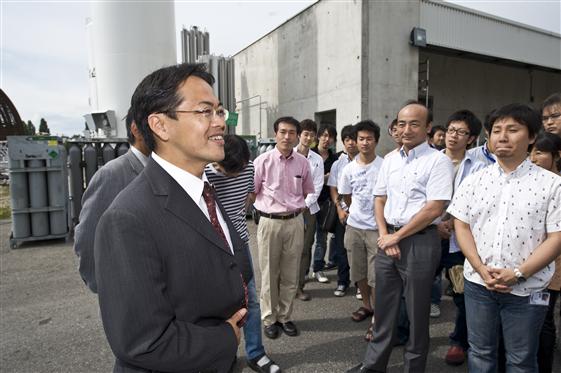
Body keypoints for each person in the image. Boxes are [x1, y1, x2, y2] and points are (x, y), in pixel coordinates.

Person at [94, 63, 252, 372]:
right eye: (205, 112)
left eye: (219, 111)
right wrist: (226, 337)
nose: (220, 122)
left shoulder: (205, 190)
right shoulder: (128, 217)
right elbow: (143, 340)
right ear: (161, 125)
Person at [448, 103, 561, 373]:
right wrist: (478, 267)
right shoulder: (475, 180)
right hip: (478, 285)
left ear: (532, 136)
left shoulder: (552, 184)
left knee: (521, 359)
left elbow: (557, 237)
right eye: (496, 130)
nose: (502, 136)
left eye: (513, 130)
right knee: (481, 353)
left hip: (528, 288)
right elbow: (461, 225)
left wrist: (519, 273)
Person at [348, 101, 454, 373]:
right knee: (384, 311)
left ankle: (413, 368)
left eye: (415, 123)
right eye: (402, 123)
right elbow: (380, 198)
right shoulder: (391, 159)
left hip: (420, 242)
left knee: (418, 315)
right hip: (388, 241)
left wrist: (398, 237)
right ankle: (373, 366)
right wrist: (385, 236)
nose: (406, 129)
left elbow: (435, 207)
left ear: (428, 127)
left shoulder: (438, 161)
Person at [205, 134, 281, 373]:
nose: (228, 175)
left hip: (239, 246)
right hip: (211, 249)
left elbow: (250, 196)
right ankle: (222, 355)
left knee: (251, 302)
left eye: (234, 171)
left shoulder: (249, 168)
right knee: (215, 305)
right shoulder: (205, 172)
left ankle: (255, 353)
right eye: (223, 169)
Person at [74, 108, 149, 293]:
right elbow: (88, 237)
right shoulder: (112, 174)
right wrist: (104, 288)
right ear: (136, 129)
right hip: (127, 290)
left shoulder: (161, 170)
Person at [253, 116, 315, 339]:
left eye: (291, 132)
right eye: (282, 132)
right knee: (269, 272)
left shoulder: (302, 163)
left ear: (297, 135)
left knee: (290, 273)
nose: (287, 137)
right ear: (275, 134)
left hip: (295, 222)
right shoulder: (262, 161)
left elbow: (308, 191)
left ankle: (285, 317)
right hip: (269, 222)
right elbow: (252, 192)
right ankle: (269, 318)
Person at [437, 110, 482, 366]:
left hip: (458, 241)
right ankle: (402, 331)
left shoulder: (478, 168)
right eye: (451, 130)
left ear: (472, 138)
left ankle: (459, 341)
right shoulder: (430, 160)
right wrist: (435, 226)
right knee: (413, 288)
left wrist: (451, 224)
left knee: (460, 292)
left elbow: (476, 204)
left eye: (461, 132)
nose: (453, 136)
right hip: (427, 235)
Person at [338, 121, 383, 340]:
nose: (365, 143)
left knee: (376, 276)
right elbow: (347, 196)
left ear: (376, 140)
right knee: (359, 273)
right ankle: (367, 306)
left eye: (369, 139)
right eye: (361, 139)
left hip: (377, 229)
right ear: (355, 141)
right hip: (354, 227)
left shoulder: (384, 166)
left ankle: (378, 318)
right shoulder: (348, 169)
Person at [529, 132, 561, 373]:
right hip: (532, 264)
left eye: (539, 152)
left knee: (545, 321)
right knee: (538, 321)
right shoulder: (530, 183)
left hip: (554, 266)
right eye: (531, 151)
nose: (533, 157)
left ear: (556, 156)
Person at [295, 119, 324, 301]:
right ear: (299, 135)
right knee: (288, 249)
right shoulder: (290, 154)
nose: (309, 137)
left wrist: (304, 204)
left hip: (308, 210)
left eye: (312, 135)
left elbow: (318, 185)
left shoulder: (317, 159)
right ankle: (285, 287)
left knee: (304, 249)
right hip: (288, 209)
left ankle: (299, 287)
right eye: (306, 134)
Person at [327, 124, 357, 297]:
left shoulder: (368, 161)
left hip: (363, 216)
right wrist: (339, 209)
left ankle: (361, 285)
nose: (351, 143)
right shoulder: (338, 164)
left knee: (361, 251)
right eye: (347, 140)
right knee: (341, 248)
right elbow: (333, 188)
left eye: (354, 139)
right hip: (343, 213)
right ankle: (342, 281)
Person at [311, 124, 339, 282]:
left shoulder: (334, 158)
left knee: (321, 238)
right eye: (324, 135)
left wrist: (324, 178)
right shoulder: (309, 154)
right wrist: (324, 177)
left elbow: (335, 180)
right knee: (306, 240)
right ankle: (301, 272)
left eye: (330, 137)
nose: (327, 139)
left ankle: (318, 268)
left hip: (325, 204)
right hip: (309, 203)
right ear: (318, 137)